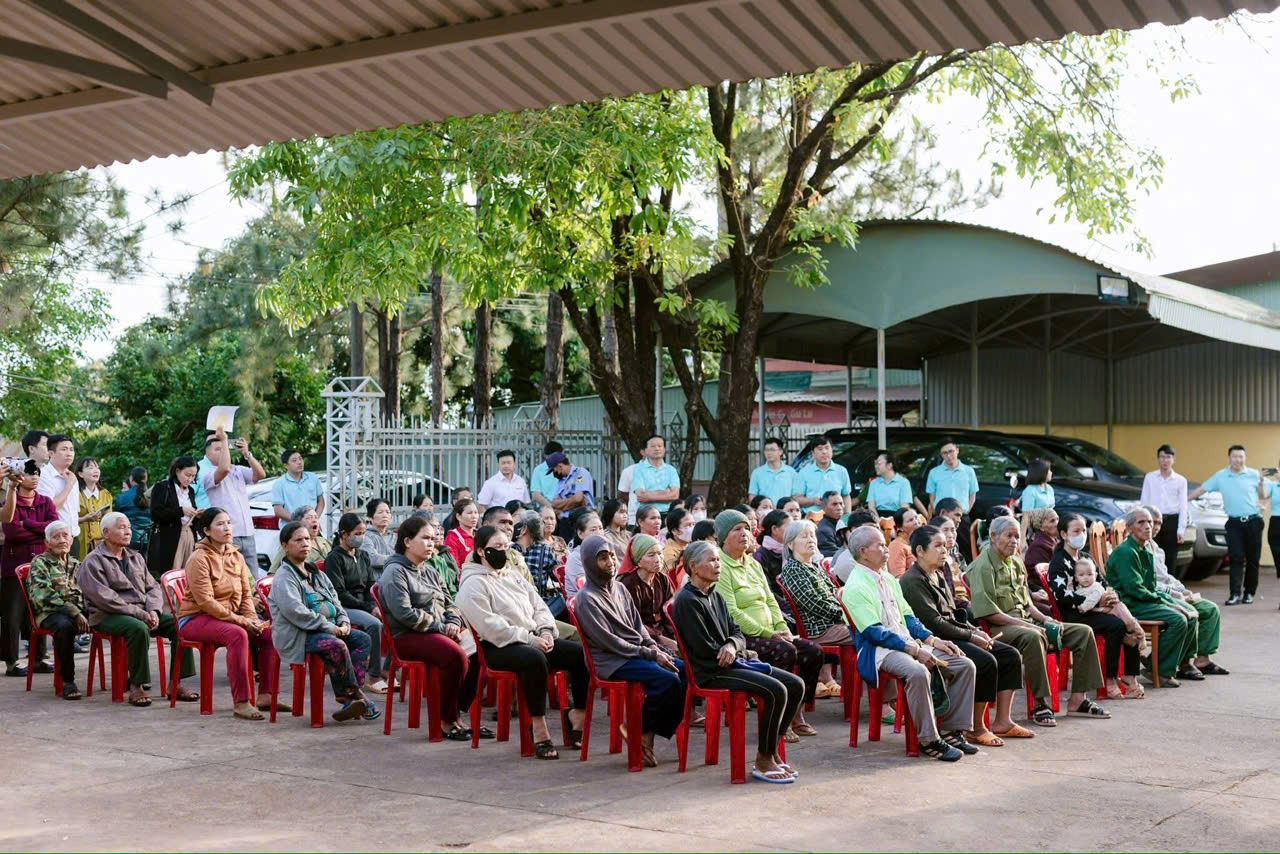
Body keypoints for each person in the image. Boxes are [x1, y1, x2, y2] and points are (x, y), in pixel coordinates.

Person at [840, 526, 977, 760]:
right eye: (880, 545)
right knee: (917, 671)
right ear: (863, 552)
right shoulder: (856, 586)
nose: (886, 548)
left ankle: (951, 730)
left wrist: (933, 640)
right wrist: (914, 649)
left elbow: (909, 618)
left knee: (963, 664)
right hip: (880, 651)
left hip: (906, 642)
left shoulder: (888, 579)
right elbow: (875, 633)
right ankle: (929, 739)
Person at [671, 541, 803, 783]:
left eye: (719, 560)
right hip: (711, 672)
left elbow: (737, 632)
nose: (717, 565)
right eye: (711, 560)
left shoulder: (715, 595)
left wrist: (733, 646)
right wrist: (732, 650)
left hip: (730, 661)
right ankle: (763, 759)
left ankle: (771, 749)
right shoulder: (688, 601)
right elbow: (705, 650)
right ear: (693, 566)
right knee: (775, 690)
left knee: (795, 684)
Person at [456, 524, 590, 759]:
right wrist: (530, 639)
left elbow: (539, 606)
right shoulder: (472, 584)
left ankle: (576, 716)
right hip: (496, 646)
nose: (503, 551)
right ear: (480, 551)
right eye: (497, 547)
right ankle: (538, 727)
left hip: (532, 637)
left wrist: (546, 631)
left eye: (506, 546)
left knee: (581, 654)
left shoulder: (512, 574)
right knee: (534, 659)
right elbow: (491, 627)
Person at [967, 516, 1109, 725]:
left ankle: (1078, 700)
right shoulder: (982, 566)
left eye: (1018, 536)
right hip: (999, 628)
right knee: (1033, 637)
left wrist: (1047, 619)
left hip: (1025, 622)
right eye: (1009, 536)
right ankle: (1041, 704)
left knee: (1083, 632)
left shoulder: (1015, 562)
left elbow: (1027, 604)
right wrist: (1027, 625)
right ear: (993, 537)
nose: (1015, 541)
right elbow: (988, 613)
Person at [899, 525, 1025, 746]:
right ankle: (976, 728)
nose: (944, 550)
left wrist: (975, 630)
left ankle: (1003, 721)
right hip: (934, 639)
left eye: (944, 546)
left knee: (1009, 655)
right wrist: (971, 637)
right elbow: (934, 623)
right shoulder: (912, 580)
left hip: (952, 633)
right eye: (937, 546)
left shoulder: (938, 574)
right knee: (986, 661)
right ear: (919, 551)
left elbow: (954, 613)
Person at [574, 535, 686, 767]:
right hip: (611, 661)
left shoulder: (618, 589)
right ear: (589, 563)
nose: (610, 563)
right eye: (602, 559)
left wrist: (653, 646)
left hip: (634, 652)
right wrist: (651, 654)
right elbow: (609, 642)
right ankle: (641, 732)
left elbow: (638, 626)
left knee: (685, 672)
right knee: (667, 680)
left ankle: (644, 734)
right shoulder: (587, 598)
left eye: (612, 556)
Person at [378, 515, 490, 740]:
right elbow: (404, 614)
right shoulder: (395, 571)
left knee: (484, 651)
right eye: (425, 538)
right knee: (454, 656)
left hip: (438, 631)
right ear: (408, 542)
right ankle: (444, 721)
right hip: (407, 636)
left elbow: (450, 603)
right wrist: (441, 627)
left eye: (432, 538)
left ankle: (456, 713)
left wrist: (453, 623)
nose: (431, 543)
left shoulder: (430, 570)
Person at [713, 509, 822, 740]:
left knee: (813, 651)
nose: (745, 534)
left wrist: (781, 627)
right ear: (724, 537)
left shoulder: (752, 564)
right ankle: (777, 719)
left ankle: (796, 713)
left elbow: (770, 599)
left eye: (746, 528)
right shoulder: (719, 566)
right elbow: (732, 613)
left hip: (771, 632)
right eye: (737, 529)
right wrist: (769, 633)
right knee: (785, 651)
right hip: (742, 638)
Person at [78, 512, 198, 706]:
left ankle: (176, 683)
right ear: (106, 533)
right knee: (138, 628)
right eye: (122, 527)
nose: (128, 531)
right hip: (107, 615)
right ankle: (136, 685)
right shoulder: (93, 561)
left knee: (180, 625)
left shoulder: (136, 557)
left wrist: (154, 612)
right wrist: (141, 614)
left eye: (128, 527)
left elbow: (152, 587)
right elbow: (106, 599)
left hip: (142, 612)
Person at [271, 520, 378, 721]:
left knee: (363, 639)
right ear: (285, 546)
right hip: (300, 634)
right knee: (336, 644)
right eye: (298, 540)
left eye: (307, 539)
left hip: (327, 628)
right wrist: (331, 627)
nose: (305, 544)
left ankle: (352, 695)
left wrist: (344, 621)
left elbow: (336, 601)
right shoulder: (284, 577)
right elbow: (297, 613)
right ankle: (352, 696)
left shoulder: (316, 572)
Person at [1107, 507, 1228, 685]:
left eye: (1150, 522)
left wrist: (1174, 602)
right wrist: (1171, 605)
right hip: (1130, 604)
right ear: (1129, 528)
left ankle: (1165, 665)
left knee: (1191, 614)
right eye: (1142, 522)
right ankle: (1160, 671)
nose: (1148, 526)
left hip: (1145, 599)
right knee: (1179, 619)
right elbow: (1136, 591)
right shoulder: (1126, 552)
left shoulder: (1146, 550)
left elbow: (1151, 587)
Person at [178, 507, 274, 718]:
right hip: (195, 618)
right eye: (220, 524)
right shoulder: (198, 558)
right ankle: (241, 702)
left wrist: (251, 619)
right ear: (207, 531)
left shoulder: (236, 556)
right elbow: (206, 602)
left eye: (229, 523)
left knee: (268, 634)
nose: (227, 528)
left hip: (228, 618)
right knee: (237, 634)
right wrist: (240, 621)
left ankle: (266, 695)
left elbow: (247, 595)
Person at [1045, 512, 1143, 698]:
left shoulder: (1085, 558)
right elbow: (1061, 596)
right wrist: (1096, 600)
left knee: (1124, 618)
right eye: (1076, 531)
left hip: (1095, 610)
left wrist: (1112, 596)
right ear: (1064, 535)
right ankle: (1110, 680)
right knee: (1117, 625)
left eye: (1083, 530)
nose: (1081, 534)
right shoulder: (1058, 562)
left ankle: (1130, 677)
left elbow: (1103, 582)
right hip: (1074, 614)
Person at [1145, 505, 1228, 673]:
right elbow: (1148, 583)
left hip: (1170, 592)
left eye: (1159, 523)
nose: (1154, 527)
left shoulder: (1155, 547)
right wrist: (1173, 593)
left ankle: (1202, 660)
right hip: (1158, 596)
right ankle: (1183, 662)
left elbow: (1166, 576)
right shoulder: (1138, 549)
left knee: (1211, 609)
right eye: (1151, 522)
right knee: (1189, 611)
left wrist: (1183, 590)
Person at [777, 519, 850, 698]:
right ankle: (882, 701)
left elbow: (836, 594)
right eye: (804, 536)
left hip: (833, 624)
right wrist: (848, 614)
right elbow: (817, 604)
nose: (811, 540)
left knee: (876, 631)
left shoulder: (814, 567)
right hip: (819, 628)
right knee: (870, 633)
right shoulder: (794, 570)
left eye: (812, 536)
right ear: (790, 544)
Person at [323, 512, 389, 693]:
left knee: (393, 618)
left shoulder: (363, 556)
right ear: (344, 534)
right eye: (357, 534)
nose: (361, 538)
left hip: (363, 603)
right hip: (344, 606)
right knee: (374, 624)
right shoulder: (334, 558)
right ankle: (373, 676)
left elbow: (369, 585)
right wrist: (369, 608)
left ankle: (388, 669)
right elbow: (340, 593)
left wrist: (374, 605)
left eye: (363, 533)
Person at [2, 459, 57, 676]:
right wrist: (39, 530)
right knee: (12, 615)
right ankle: (11, 662)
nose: (34, 477)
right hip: (14, 564)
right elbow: (12, 533)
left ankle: (39, 658)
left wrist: (28, 524)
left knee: (40, 609)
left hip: (40, 565)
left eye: (37, 473)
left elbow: (53, 528)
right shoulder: (11, 499)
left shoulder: (45, 501)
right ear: (18, 476)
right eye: (29, 473)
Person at [1189, 444, 1262, 605]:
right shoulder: (1221, 476)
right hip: (1233, 523)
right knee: (1235, 558)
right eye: (1235, 456)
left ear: (1245, 458)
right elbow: (1202, 489)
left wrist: (1267, 504)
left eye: (1241, 456)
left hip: (1254, 522)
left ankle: (1249, 593)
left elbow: (1267, 491)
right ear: (1229, 458)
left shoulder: (1254, 475)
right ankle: (1234, 594)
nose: (1238, 459)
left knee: (1253, 559)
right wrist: (1184, 500)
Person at [27, 521, 87, 699]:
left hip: (78, 612)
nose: (62, 540)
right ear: (47, 543)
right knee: (64, 627)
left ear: (72, 538)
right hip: (49, 613)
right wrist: (75, 613)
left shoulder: (77, 564)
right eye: (56, 537)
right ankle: (68, 681)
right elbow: (44, 597)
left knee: (115, 618)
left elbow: (91, 590)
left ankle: (128, 678)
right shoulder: (40, 563)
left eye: (65, 535)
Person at [200, 426, 266, 578]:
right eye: (218, 449)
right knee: (232, 578)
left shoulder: (236, 469)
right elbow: (223, 469)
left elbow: (260, 475)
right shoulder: (206, 472)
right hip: (227, 534)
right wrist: (224, 440)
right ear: (207, 453)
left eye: (224, 448)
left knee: (253, 579)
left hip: (247, 532)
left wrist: (247, 454)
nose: (224, 450)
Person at [619, 534, 679, 652]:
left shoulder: (662, 578)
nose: (658, 559)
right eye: (651, 555)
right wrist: (661, 639)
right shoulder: (629, 584)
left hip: (664, 633)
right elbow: (633, 622)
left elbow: (669, 611)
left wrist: (674, 635)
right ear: (639, 561)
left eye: (660, 553)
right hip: (642, 638)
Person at [147, 456, 200, 578]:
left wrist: (197, 514)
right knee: (171, 572)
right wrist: (181, 511)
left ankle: (185, 597)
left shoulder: (190, 491)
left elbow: (190, 512)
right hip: (170, 536)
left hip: (189, 534)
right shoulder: (162, 487)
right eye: (187, 475)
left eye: (193, 476)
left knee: (189, 573)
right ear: (177, 471)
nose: (190, 479)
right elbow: (155, 514)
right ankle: (169, 597)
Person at [1140, 444, 1189, 573]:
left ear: (1173, 460)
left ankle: (1170, 587)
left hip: (1171, 521)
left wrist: (1181, 529)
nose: (1165, 460)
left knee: (1170, 557)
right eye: (1162, 457)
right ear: (1158, 459)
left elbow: (1183, 505)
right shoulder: (1150, 477)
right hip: (1152, 521)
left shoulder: (1181, 480)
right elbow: (1144, 502)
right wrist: (1142, 523)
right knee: (1149, 554)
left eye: (1168, 457)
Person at [513, 510, 565, 617]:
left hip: (515, 605)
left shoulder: (510, 550)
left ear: (524, 529)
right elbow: (558, 577)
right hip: (539, 606)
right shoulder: (545, 550)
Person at [37, 435, 80, 552]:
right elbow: (50, 508)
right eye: (64, 449)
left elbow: (74, 512)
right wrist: (69, 485)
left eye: (71, 449)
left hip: (73, 538)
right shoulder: (42, 475)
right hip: (54, 541)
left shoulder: (71, 476)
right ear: (51, 453)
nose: (69, 453)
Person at [548, 452, 595, 541]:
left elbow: (579, 498)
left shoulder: (580, 474)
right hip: (565, 523)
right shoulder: (561, 481)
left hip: (582, 520)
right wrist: (573, 501)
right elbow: (554, 503)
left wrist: (561, 507)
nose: (554, 473)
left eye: (554, 470)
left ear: (560, 466)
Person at [796, 438, 851, 513]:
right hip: (812, 519)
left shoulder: (841, 471)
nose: (824, 452)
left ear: (832, 450)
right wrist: (813, 500)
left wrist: (847, 516)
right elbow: (798, 499)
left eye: (827, 448)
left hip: (836, 518)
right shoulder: (804, 472)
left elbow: (846, 496)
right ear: (813, 453)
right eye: (820, 449)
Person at [269, 505, 331, 572]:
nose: (314, 520)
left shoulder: (325, 541)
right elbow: (272, 573)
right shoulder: (290, 545)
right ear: (298, 523)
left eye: (316, 517)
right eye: (309, 518)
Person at [926, 440, 979, 518]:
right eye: (945, 453)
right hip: (942, 516)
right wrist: (936, 511)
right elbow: (932, 496)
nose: (948, 455)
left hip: (962, 515)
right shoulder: (934, 472)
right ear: (941, 455)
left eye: (951, 451)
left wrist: (967, 511)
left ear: (957, 450)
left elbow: (972, 494)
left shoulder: (969, 471)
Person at [631, 434, 680, 514]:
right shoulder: (639, 469)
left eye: (660, 446)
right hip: (646, 514)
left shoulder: (671, 470)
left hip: (668, 514)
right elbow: (641, 496)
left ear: (664, 449)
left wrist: (649, 495)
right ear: (646, 450)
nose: (657, 448)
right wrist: (666, 492)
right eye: (653, 446)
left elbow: (675, 496)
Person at [270, 449, 324, 520]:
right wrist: (298, 521)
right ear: (286, 465)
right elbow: (278, 510)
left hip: (312, 527)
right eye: (294, 460)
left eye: (300, 459)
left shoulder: (313, 478)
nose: (299, 462)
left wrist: (315, 518)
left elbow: (321, 501)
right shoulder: (279, 484)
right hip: (291, 528)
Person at [74, 458, 111, 561]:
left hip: (101, 544)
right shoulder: (74, 493)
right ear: (80, 474)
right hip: (79, 542)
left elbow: (110, 520)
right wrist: (84, 519)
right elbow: (67, 518)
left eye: (97, 468)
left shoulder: (106, 494)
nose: (96, 470)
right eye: (90, 468)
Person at [749, 437, 799, 505]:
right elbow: (752, 497)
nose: (769, 453)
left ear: (780, 452)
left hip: (785, 512)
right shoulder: (757, 473)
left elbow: (796, 496)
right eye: (766, 450)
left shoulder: (791, 472)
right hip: (765, 512)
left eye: (772, 450)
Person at [563, 510, 604, 592]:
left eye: (600, 528)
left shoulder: (605, 552)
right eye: (593, 530)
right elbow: (586, 589)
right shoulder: (575, 558)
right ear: (580, 534)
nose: (599, 533)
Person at [113, 466, 152, 552]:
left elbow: (116, 517)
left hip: (129, 539)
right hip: (149, 541)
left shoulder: (123, 497)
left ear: (131, 478)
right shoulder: (152, 496)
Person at [832, 511, 876, 583]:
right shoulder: (847, 560)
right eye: (870, 528)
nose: (876, 533)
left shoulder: (874, 553)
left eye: (877, 529)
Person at [866, 450, 913, 516]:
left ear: (889, 465)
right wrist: (877, 521)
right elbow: (871, 507)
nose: (876, 466)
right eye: (875, 464)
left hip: (897, 518)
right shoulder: (873, 483)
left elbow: (904, 508)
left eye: (879, 463)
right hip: (877, 517)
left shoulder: (904, 482)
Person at [444, 497, 481, 571]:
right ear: (458, 516)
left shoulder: (480, 534)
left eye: (476, 512)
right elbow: (454, 567)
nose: (474, 516)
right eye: (469, 513)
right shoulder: (452, 538)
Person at [886, 507, 923, 578]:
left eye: (916, 517)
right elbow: (898, 578)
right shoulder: (896, 546)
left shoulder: (918, 542)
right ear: (900, 528)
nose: (916, 522)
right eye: (910, 520)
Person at [529, 441, 564, 511]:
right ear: (546, 456)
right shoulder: (538, 470)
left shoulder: (566, 468)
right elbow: (536, 495)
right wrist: (552, 508)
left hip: (565, 508)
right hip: (545, 509)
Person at [362, 498, 396, 569]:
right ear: (370, 517)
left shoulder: (395, 537)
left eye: (387, 512)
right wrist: (398, 558)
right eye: (380, 512)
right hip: (377, 579)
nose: (385, 515)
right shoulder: (365, 536)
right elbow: (372, 559)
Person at [661, 507, 693, 576]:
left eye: (693, 524)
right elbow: (671, 580)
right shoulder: (669, 553)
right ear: (674, 531)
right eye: (688, 525)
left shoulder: (690, 546)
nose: (692, 529)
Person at [815, 491, 844, 558]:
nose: (839, 508)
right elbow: (831, 553)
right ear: (824, 507)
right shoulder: (823, 530)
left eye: (841, 503)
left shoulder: (845, 524)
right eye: (834, 504)